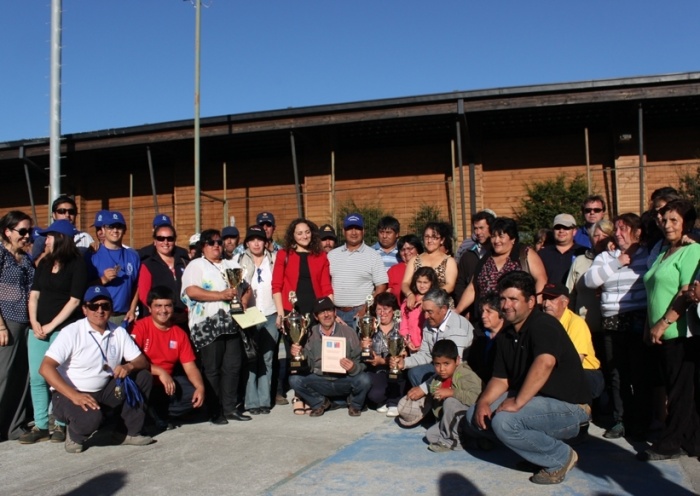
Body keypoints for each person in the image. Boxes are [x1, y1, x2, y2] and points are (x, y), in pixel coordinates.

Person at [464, 271, 591, 485]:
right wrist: (484, 403)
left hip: (570, 408)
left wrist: (518, 402)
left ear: (531, 301)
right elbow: (500, 378)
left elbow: (545, 362)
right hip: (536, 404)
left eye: (514, 299)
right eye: (503, 299)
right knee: (473, 416)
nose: (506, 305)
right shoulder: (506, 333)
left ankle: (560, 457)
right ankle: (535, 453)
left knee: (505, 422)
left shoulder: (543, 324)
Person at [39, 286, 153, 453]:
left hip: (103, 389)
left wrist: (129, 366)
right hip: (71, 393)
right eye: (94, 306)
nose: (99, 311)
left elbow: (141, 361)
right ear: (85, 309)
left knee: (143, 377)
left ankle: (126, 432)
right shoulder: (71, 332)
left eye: (105, 306)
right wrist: (74, 396)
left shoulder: (118, 332)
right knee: (91, 419)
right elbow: (45, 368)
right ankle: (75, 433)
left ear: (111, 309)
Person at [641, 200, 700, 461]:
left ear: (686, 223)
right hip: (660, 333)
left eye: (674, 220)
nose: (667, 225)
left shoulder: (693, 251)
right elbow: (653, 292)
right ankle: (692, 441)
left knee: (679, 392)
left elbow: (686, 292)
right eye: (665, 220)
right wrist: (649, 327)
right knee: (677, 389)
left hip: (679, 333)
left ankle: (670, 443)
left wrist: (663, 323)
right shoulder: (665, 251)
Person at [583, 213, 650, 439]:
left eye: (624, 229)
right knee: (616, 372)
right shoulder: (605, 257)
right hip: (612, 320)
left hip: (638, 318)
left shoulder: (648, 254)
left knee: (639, 372)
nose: (618, 233)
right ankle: (620, 420)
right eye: (617, 229)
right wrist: (618, 261)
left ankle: (641, 421)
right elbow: (591, 280)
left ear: (637, 232)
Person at [21, 220, 87, 444]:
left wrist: (51, 326)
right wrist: (35, 322)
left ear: (60, 238)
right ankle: (40, 425)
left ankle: (60, 424)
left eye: (49, 236)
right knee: (37, 378)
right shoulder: (44, 263)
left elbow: (75, 300)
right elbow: (34, 295)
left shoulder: (78, 264)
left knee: (58, 377)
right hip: (38, 329)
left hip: (62, 330)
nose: (44, 240)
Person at [181, 229, 251, 425]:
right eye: (211, 242)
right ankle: (214, 410)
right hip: (208, 325)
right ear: (203, 246)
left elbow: (246, 287)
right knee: (212, 369)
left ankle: (230, 408)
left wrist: (244, 301)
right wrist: (220, 295)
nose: (216, 246)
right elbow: (192, 291)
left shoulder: (231, 264)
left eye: (219, 242)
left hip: (232, 323)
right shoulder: (197, 265)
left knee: (233, 366)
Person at [272, 218, 333, 405]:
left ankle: (312, 391)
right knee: (294, 354)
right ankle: (296, 394)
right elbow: (276, 285)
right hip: (292, 313)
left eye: (307, 232)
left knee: (314, 352)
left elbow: (325, 285)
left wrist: (329, 313)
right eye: (299, 233)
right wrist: (281, 314)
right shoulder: (284, 255)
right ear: (293, 235)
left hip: (314, 312)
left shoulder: (320, 256)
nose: (304, 236)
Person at [131, 286, 205, 430]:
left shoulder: (179, 334)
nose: (163, 311)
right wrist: (159, 372)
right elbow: (131, 362)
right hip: (144, 382)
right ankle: (149, 413)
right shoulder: (140, 327)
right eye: (158, 306)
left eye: (167, 306)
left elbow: (190, 366)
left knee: (193, 395)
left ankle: (157, 413)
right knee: (142, 378)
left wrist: (200, 388)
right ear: (149, 307)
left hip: (166, 386)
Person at [288, 297, 371, 417]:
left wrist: (353, 367)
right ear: (316, 317)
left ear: (335, 312)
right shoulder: (310, 333)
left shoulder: (348, 332)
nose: (326, 315)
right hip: (321, 380)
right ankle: (320, 403)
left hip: (344, 379)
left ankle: (354, 404)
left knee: (365, 379)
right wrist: (300, 354)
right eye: (321, 312)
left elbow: (361, 362)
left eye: (329, 310)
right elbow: (309, 364)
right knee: (294, 380)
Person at [455, 217, 547, 319]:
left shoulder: (524, 253)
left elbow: (541, 278)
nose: (496, 240)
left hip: (517, 319)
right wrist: (458, 310)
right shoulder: (486, 259)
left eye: (501, 236)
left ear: (512, 239)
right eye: (493, 236)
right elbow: (473, 287)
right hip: (487, 320)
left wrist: (536, 306)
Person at [403, 339, 482, 452]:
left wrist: (452, 393)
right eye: (437, 364)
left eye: (446, 364)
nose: (442, 369)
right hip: (451, 423)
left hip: (469, 419)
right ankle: (475, 442)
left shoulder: (465, 375)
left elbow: (478, 397)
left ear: (457, 360)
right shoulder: (437, 380)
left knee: (450, 402)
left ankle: (455, 442)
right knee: (430, 435)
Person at [391, 289, 474, 386]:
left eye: (430, 312)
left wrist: (423, 389)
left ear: (443, 309)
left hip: (460, 373)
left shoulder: (457, 328)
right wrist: (404, 363)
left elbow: (453, 367)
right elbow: (426, 354)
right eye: (424, 311)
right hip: (439, 366)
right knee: (415, 373)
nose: (426, 316)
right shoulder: (429, 323)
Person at [0, 211, 35, 441]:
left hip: (26, 323)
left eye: (29, 231)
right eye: (22, 231)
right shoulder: (0, 255)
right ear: (7, 232)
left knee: (22, 376)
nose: (26, 236)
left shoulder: (25, 258)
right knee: (4, 375)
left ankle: (14, 426)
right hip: (7, 322)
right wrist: (0, 326)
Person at [238, 225, 278, 414]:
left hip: (270, 314)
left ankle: (265, 400)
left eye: (260, 239)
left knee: (267, 358)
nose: (256, 243)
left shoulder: (274, 260)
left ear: (266, 242)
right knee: (251, 357)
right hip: (251, 316)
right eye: (252, 239)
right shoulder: (240, 262)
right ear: (247, 243)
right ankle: (251, 402)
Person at [540, 282, 604, 400]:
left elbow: (575, 362)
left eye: (552, 299)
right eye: (544, 298)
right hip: (559, 372)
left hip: (587, 373)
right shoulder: (542, 323)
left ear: (565, 303)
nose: (546, 304)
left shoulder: (576, 323)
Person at [327, 213, 388, 329]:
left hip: (360, 313)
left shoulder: (373, 255)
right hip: (335, 314)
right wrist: (330, 310)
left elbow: (381, 286)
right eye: (350, 229)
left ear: (363, 231)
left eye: (357, 228)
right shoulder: (332, 255)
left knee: (361, 346)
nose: (354, 232)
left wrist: (366, 308)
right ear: (343, 231)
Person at [86, 211, 140, 326]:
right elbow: (84, 288)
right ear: (103, 230)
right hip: (99, 316)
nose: (115, 230)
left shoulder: (133, 256)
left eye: (119, 226)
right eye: (111, 226)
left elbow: (136, 286)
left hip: (124, 316)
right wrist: (103, 280)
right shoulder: (92, 255)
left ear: (124, 230)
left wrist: (132, 309)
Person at [566, 219, 614, 335]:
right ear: (591, 238)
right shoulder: (580, 261)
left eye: (605, 235)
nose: (600, 239)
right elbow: (569, 294)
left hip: (611, 327)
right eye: (596, 235)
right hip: (584, 327)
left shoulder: (617, 261)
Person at [361, 292, 404, 417]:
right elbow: (364, 353)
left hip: (395, 367)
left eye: (386, 309)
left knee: (398, 372)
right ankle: (382, 400)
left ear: (394, 311)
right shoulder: (370, 326)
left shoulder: (400, 328)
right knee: (375, 395)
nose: (382, 313)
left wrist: (384, 361)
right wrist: (365, 346)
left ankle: (394, 402)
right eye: (379, 309)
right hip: (377, 369)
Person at [137, 223, 189, 326]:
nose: (165, 242)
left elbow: (191, 289)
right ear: (155, 241)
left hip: (183, 318)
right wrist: (163, 313)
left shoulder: (184, 262)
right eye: (161, 238)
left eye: (170, 238)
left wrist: (187, 312)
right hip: (159, 320)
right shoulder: (148, 265)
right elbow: (144, 296)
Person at [401, 222, 458, 311]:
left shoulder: (449, 261)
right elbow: (405, 283)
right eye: (427, 237)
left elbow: (450, 286)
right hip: (417, 306)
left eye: (434, 237)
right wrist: (409, 294)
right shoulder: (414, 260)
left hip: (440, 306)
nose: (430, 241)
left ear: (442, 240)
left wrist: (429, 297)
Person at [32, 195, 94, 262]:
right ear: (54, 215)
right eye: (62, 211)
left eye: (71, 212)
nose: (67, 215)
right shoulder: (43, 239)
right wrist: (48, 251)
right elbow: (37, 266)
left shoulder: (85, 237)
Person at [454, 210, 496, 305]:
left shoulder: (498, 254)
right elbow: (460, 284)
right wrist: (464, 309)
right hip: (473, 311)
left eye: (481, 228)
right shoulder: (468, 255)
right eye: (475, 228)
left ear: (491, 228)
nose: (478, 232)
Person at [467, 293, 505, 384]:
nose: (483, 315)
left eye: (489, 311)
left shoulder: (508, 337)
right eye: (483, 311)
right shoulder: (478, 334)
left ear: (501, 314)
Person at [399, 266, 438, 353]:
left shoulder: (436, 301)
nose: (422, 285)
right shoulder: (408, 301)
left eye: (425, 282)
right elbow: (403, 325)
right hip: (412, 346)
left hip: (430, 346)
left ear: (431, 283)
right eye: (419, 282)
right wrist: (408, 341)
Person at [538, 213, 586, 284]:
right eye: (558, 227)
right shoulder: (542, 254)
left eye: (566, 227)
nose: (561, 231)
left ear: (574, 231)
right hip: (548, 294)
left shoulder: (584, 253)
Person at [386, 234, 423, 305]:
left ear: (418, 249)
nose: (406, 252)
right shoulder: (393, 270)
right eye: (403, 250)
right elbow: (387, 292)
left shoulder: (425, 266)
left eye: (410, 248)